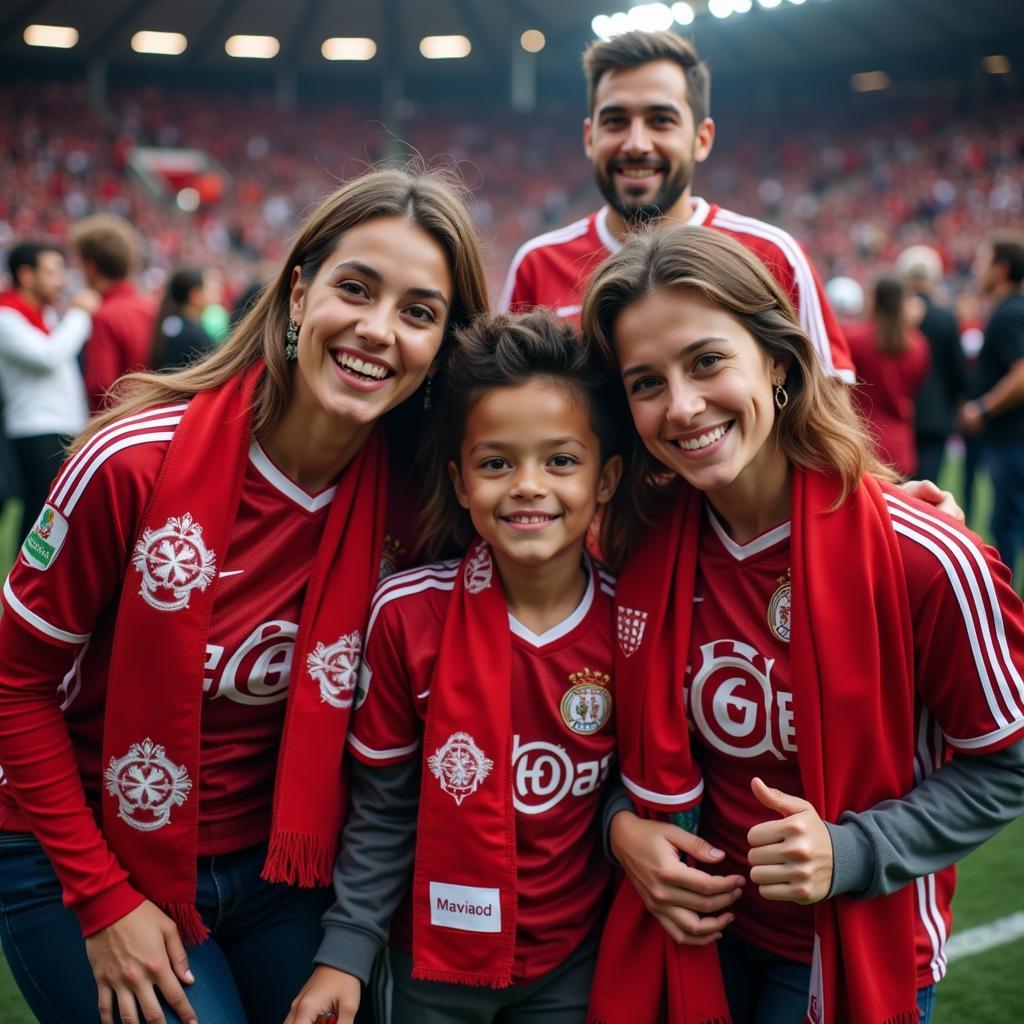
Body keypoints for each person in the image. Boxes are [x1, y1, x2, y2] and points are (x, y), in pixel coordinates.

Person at [0, 166, 488, 1024]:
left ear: (443, 345)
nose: (378, 331)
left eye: (418, 312)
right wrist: (103, 901)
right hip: (77, 848)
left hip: (281, 868)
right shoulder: (131, 464)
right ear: (298, 293)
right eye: (356, 289)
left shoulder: (426, 508)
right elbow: (12, 685)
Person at [579, 226, 1024, 1024]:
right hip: (690, 938)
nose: (682, 406)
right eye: (646, 383)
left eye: (707, 361)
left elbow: (1009, 763)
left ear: (777, 361)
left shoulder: (926, 557)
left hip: (848, 943)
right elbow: (588, 731)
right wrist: (622, 829)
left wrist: (854, 850)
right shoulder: (625, 546)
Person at [286, 311, 623, 1024]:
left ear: (606, 478)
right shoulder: (407, 616)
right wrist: (347, 951)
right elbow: (383, 807)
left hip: (573, 964)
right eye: (497, 462)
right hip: (429, 966)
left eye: (560, 460)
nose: (528, 485)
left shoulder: (634, 622)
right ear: (461, 481)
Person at [499, 29, 855, 386]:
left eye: (661, 120)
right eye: (616, 121)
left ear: (702, 139)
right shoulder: (537, 265)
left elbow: (828, 419)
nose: (636, 144)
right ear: (590, 138)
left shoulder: (774, 257)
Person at [0, 241, 98, 543]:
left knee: (56, 513)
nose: (62, 280)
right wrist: (80, 314)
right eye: (53, 271)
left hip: (58, 425)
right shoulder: (6, 317)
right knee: (39, 514)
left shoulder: (47, 315)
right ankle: (24, 582)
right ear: (26, 276)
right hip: (34, 428)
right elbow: (48, 356)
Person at [961, 232, 1024, 586]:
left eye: (982, 262)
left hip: (1011, 441)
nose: (975, 268)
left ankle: (1008, 613)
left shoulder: (1008, 314)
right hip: (1010, 440)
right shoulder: (1010, 310)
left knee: (1007, 527)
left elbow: (1022, 373)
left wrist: (982, 408)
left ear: (1001, 269)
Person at [70, 213, 158, 412]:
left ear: (90, 266)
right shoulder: (151, 306)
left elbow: (100, 388)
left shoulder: (104, 316)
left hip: (120, 421)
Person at [895, 245, 966, 486]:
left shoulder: (893, 317)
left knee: (897, 490)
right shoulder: (945, 317)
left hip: (897, 414)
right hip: (935, 417)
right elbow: (958, 370)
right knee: (928, 488)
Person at [845, 276, 930, 477]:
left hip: (861, 439)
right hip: (900, 444)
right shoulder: (918, 344)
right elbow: (916, 386)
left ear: (874, 300)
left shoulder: (854, 339)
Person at [151, 268, 219, 372]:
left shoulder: (174, 324)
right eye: (209, 289)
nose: (216, 293)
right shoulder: (193, 336)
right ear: (194, 295)